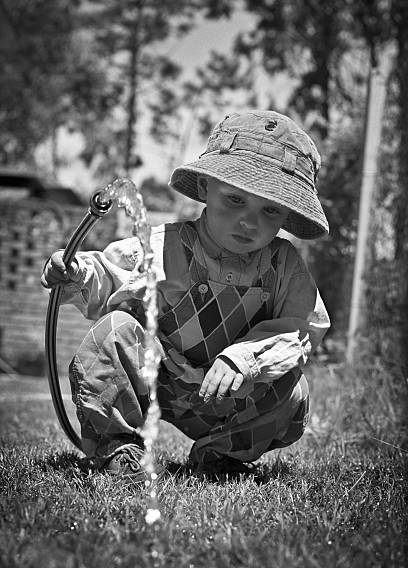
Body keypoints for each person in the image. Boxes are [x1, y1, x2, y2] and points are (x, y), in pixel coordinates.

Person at [41, 110, 330, 479]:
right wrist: (77, 272)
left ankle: (221, 455)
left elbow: (300, 329)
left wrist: (245, 358)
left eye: (270, 209)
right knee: (116, 330)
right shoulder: (166, 246)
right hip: (161, 382)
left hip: (233, 399)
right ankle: (120, 447)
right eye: (236, 200)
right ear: (207, 186)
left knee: (294, 389)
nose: (249, 221)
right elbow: (112, 276)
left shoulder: (285, 266)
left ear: (287, 213)